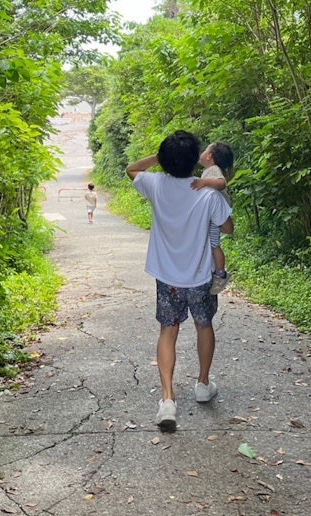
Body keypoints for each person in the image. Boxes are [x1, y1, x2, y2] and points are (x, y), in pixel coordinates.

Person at [126, 130, 234, 432]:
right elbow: (227, 228)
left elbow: (132, 170)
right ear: (194, 159)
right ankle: (203, 384)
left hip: (167, 277)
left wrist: (159, 158)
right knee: (204, 325)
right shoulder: (208, 192)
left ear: (165, 160)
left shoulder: (155, 183)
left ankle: (168, 399)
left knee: (168, 330)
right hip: (199, 276)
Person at [191, 142, 234, 295]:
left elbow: (222, 183)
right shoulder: (208, 171)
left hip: (217, 214)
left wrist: (204, 182)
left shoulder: (213, 170)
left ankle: (220, 274)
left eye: (205, 150)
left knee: (214, 244)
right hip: (213, 213)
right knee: (211, 242)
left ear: (209, 155)